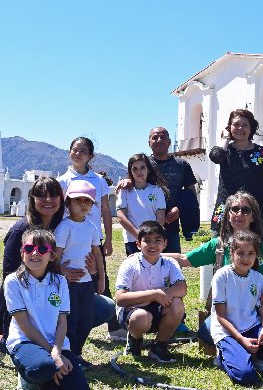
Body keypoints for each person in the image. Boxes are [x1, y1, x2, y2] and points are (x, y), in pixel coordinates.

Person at [0, 177, 115, 367]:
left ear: (62, 200)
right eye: (41, 195)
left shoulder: (63, 226)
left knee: (104, 307)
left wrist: (93, 271)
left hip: (59, 293)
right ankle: (2, 341)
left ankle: (69, 351)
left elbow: (85, 256)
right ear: (32, 198)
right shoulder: (20, 231)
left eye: (54, 195)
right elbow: (11, 278)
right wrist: (60, 273)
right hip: (26, 301)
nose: (48, 200)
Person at [165, 191, 263, 348]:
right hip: (227, 312)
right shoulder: (218, 245)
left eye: (246, 210)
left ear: (252, 217)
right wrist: (147, 255)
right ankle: (239, 342)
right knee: (205, 332)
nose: (240, 213)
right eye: (235, 209)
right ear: (228, 215)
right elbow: (184, 259)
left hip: (256, 309)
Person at [4, 227, 89, 389]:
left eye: (42, 249)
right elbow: (24, 325)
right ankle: (27, 376)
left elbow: (62, 322)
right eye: (29, 248)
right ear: (22, 253)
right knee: (42, 369)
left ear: (52, 256)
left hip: (56, 344)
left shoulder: (60, 281)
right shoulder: (13, 281)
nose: (35, 253)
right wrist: (53, 355)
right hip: (26, 342)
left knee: (77, 385)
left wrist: (57, 350)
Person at [58, 137, 125, 341]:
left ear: (90, 156)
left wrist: (109, 239)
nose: (78, 154)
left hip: (93, 240)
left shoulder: (99, 180)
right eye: (75, 150)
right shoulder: (62, 181)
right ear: (69, 152)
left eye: (83, 151)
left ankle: (113, 326)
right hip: (70, 240)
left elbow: (105, 208)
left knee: (100, 281)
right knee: (72, 281)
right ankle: (69, 327)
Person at [210, 230, 263, 386]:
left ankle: (254, 354)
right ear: (231, 253)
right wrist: (242, 340)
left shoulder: (257, 278)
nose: (245, 258)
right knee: (245, 375)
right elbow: (220, 316)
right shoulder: (222, 276)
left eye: (251, 253)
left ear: (256, 255)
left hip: (251, 328)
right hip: (228, 333)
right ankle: (223, 356)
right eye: (240, 253)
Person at [115, 221, 187, 363]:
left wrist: (163, 294)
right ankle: (135, 339)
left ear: (165, 243)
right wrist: (154, 294)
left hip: (158, 307)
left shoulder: (169, 262)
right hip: (134, 309)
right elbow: (120, 298)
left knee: (177, 304)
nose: (152, 245)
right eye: (147, 241)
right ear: (138, 244)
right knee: (140, 318)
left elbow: (182, 288)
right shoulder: (130, 263)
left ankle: (159, 346)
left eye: (157, 240)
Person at [54, 180, 106, 370]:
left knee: (87, 319)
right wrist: (61, 273)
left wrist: (100, 278)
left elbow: (97, 254)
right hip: (68, 284)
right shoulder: (64, 227)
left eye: (88, 201)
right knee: (71, 321)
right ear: (68, 203)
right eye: (78, 200)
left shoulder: (91, 226)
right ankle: (70, 355)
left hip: (86, 283)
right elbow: (56, 256)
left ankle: (77, 353)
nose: (83, 204)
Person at [209, 109, 263, 241]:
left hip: (255, 216)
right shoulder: (225, 151)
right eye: (236, 124)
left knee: (256, 257)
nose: (240, 128)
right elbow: (216, 157)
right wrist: (225, 137)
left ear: (251, 128)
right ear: (229, 127)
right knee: (221, 256)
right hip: (226, 212)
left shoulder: (261, 153)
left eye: (245, 125)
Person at [147, 127, 199, 253]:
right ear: (149, 143)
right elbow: (132, 182)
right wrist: (125, 180)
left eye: (163, 137)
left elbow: (191, 193)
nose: (159, 140)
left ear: (170, 142)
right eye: (155, 137)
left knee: (172, 265)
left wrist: (179, 210)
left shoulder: (182, 165)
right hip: (145, 222)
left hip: (171, 224)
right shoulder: (143, 163)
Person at [116, 153, 167, 256]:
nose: (139, 172)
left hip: (153, 241)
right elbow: (121, 217)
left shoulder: (156, 190)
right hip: (132, 239)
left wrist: (152, 238)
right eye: (135, 169)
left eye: (142, 168)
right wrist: (139, 237)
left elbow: (160, 217)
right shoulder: (124, 190)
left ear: (148, 169)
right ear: (130, 171)